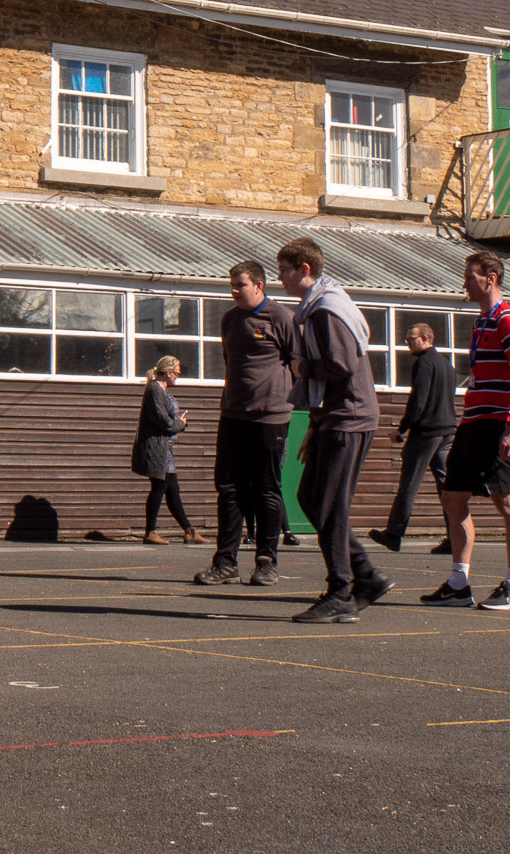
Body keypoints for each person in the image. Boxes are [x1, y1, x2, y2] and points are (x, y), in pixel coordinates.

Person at [279, 238, 393, 623]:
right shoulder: (316, 306)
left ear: (304, 269)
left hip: (350, 417)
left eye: (284, 270)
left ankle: (342, 590)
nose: (280, 277)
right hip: (334, 417)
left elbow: (340, 366)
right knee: (311, 498)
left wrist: (303, 369)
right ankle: (365, 577)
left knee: (328, 504)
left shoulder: (325, 309)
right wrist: (315, 422)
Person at [421, 251, 510, 612]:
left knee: (508, 503)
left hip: (497, 424)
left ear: (491, 278)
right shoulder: (481, 320)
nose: (464, 283)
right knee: (452, 498)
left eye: (469, 277)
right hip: (471, 422)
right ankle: (458, 584)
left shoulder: (508, 320)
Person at [195, 260, 296, 587]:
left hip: (271, 418)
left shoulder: (281, 318)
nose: (234, 290)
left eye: (240, 284)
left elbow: (298, 364)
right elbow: (230, 362)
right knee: (228, 489)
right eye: (232, 284)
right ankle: (225, 563)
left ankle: (266, 562)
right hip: (234, 416)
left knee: (266, 489)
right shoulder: (230, 319)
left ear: (259, 286)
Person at [369, 321, 456, 553]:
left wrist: (402, 429)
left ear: (426, 338)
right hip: (447, 431)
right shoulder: (447, 365)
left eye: (411, 339)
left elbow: (418, 400)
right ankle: (455, 537)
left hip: (426, 432)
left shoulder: (424, 363)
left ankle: (394, 534)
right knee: (445, 486)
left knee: (409, 484)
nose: (407, 343)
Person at [131, 355, 205, 545]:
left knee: (172, 490)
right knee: (159, 487)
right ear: (169, 372)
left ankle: (189, 530)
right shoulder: (154, 389)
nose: (177, 378)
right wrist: (180, 423)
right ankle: (150, 532)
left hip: (165, 448)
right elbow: (162, 420)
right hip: (157, 448)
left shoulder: (161, 390)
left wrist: (178, 423)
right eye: (177, 374)